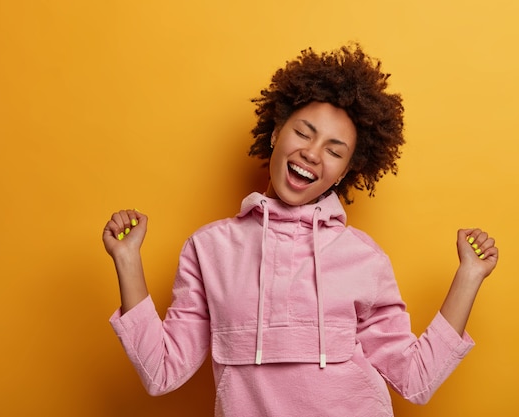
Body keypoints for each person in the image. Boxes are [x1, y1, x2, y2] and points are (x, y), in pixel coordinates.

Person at [102, 44, 498, 417]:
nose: (312, 152)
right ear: (276, 133)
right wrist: (127, 260)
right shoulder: (208, 249)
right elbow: (161, 372)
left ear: (344, 172)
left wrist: (469, 275)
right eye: (304, 133)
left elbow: (415, 381)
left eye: (334, 149)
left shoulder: (364, 258)